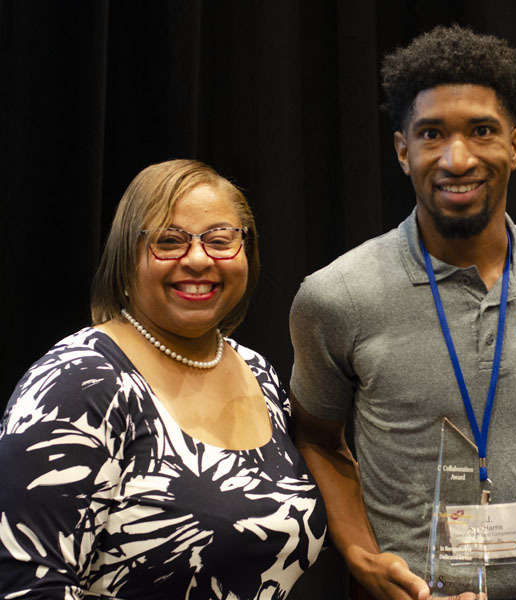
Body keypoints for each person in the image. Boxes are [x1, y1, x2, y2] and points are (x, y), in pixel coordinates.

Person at [289, 25, 516, 600]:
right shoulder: (336, 295)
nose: (458, 159)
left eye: (482, 131)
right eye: (432, 134)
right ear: (403, 150)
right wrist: (360, 554)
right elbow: (316, 438)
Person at [0, 159, 326, 599]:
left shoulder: (259, 372)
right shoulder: (79, 382)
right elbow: (26, 587)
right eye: (169, 241)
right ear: (126, 256)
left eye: (219, 239)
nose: (197, 259)